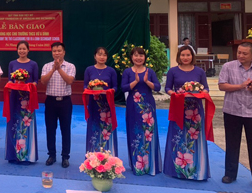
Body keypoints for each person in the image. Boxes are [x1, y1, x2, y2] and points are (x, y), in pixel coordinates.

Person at [164, 45, 210, 180]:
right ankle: (177, 170)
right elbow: (167, 88)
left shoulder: (200, 71)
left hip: (195, 109)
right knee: (177, 136)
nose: (185, 57)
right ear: (179, 56)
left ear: (192, 56)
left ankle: (197, 171)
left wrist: (201, 93)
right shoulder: (173, 71)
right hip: (179, 107)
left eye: (188, 55)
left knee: (195, 137)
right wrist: (175, 94)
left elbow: (206, 88)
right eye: (183, 55)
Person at [219, 42, 252, 185]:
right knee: (232, 143)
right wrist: (241, 86)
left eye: (244, 53)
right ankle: (230, 174)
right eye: (239, 52)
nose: (241, 55)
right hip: (232, 111)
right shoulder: (228, 67)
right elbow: (222, 86)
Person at [121, 47, 162, 176]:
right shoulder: (127, 72)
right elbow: (123, 88)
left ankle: (150, 165)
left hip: (148, 107)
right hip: (133, 106)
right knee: (135, 133)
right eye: (135, 55)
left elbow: (157, 87)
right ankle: (137, 165)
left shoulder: (150, 71)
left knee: (149, 134)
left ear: (144, 57)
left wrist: (146, 81)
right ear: (131, 57)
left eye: (141, 55)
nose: (138, 58)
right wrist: (136, 82)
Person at [41, 42, 75, 168]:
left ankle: (65, 157)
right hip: (50, 101)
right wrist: (53, 69)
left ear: (64, 52)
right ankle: (52, 155)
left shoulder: (70, 66)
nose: (57, 53)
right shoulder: (46, 66)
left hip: (65, 101)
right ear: (52, 52)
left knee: (65, 130)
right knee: (50, 129)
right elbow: (43, 81)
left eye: (59, 51)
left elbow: (70, 81)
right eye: (54, 51)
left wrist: (59, 69)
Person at [5, 41, 39, 163]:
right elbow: (10, 80)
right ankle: (13, 155)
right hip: (14, 98)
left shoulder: (33, 64)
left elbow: (36, 81)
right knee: (14, 124)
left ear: (28, 50)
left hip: (28, 99)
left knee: (27, 124)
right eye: (20, 49)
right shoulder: (12, 63)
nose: (22, 51)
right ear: (17, 50)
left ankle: (28, 155)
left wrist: (27, 86)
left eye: (24, 49)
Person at [83, 47, 118, 156]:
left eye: (104, 55)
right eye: (99, 54)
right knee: (94, 129)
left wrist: (108, 91)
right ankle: (92, 156)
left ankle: (108, 156)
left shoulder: (111, 71)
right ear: (95, 56)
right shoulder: (89, 69)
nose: (102, 57)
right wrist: (89, 90)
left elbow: (116, 87)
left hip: (107, 105)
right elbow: (85, 86)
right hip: (93, 104)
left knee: (106, 130)